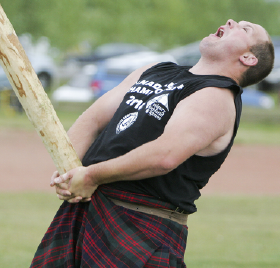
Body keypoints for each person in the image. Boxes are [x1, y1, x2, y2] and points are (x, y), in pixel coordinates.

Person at [31, 19, 274, 268]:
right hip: (87, 210)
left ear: (248, 58)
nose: (231, 21)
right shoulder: (155, 69)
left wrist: (90, 176)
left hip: (139, 226)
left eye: (245, 29)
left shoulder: (216, 96)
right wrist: (68, 168)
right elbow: (93, 119)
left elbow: (164, 155)